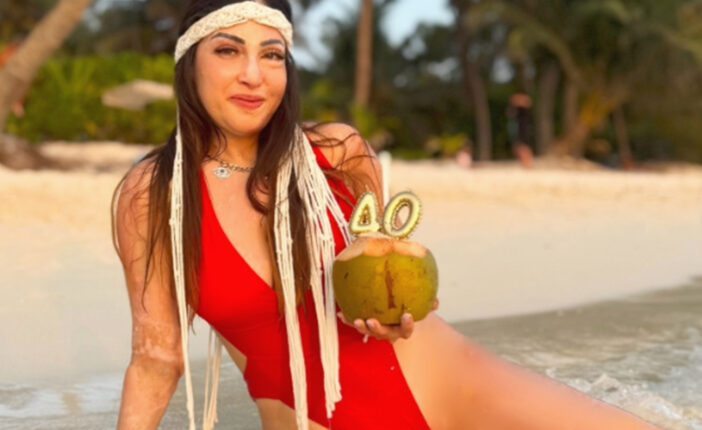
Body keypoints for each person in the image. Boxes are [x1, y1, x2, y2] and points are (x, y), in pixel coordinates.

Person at [112, 1, 660, 429]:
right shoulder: (155, 197)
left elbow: (383, 273)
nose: (254, 74)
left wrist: (400, 308)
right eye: (228, 51)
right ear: (189, 61)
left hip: (456, 390)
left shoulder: (337, 153)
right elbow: (157, 358)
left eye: (273, 54)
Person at [507, 92, 534, 169]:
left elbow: (527, 101)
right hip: (518, 129)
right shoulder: (515, 111)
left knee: (523, 146)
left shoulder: (523, 111)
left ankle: (527, 163)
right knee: (519, 146)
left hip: (522, 129)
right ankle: (525, 163)